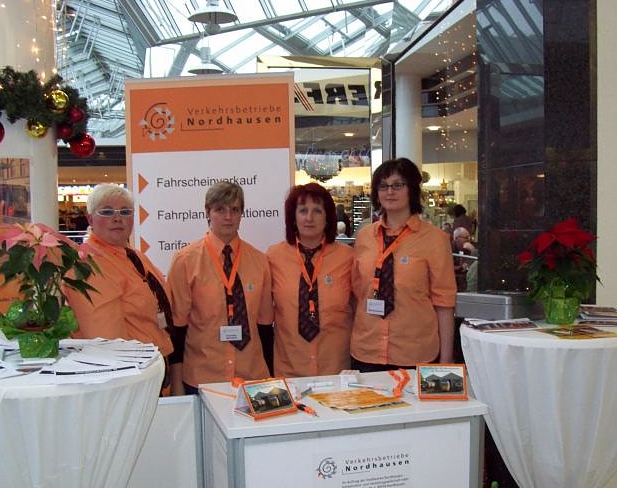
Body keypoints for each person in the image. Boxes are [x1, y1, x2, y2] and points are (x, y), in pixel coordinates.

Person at [64, 184, 178, 393]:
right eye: (107, 212)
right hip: (129, 381)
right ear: (90, 219)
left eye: (125, 212)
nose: (117, 218)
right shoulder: (88, 266)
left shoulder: (133, 255)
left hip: (152, 371)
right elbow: (109, 344)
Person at [351, 158, 457, 371]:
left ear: (412, 189)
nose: (390, 192)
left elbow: (444, 302)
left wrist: (446, 360)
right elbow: (357, 293)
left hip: (415, 353)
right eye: (383, 186)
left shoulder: (435, 239)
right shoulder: (364, 237)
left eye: (398, 185)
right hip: (367, 350)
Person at [167, 182, 273, 394]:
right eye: (220, 209)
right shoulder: (185, 261)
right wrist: (176, 382)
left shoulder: (260, 261)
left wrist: (271, 378)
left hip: (252, 376)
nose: (228, 217)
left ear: (242, 214)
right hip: (202, 377)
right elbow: (177, 329)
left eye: (234, 210)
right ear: (207, 212)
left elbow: (264, 327)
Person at [267, 183, 354, 377]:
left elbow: (359, 308)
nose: (309, 218)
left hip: (337, 369)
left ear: (328, 217)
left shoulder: (348, 258)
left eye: (317, 211)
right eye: (303, 210)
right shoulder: (274, 257)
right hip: (289, 369)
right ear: (293, 217)